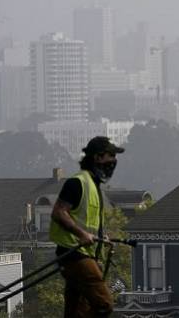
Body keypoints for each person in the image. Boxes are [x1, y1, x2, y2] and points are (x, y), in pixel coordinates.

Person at [50, 136, 125, 317]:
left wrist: (101, 237)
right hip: (75, 255)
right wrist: (81, 234)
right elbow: (59, 212)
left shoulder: (93, 185)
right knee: (104, 303)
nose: (114, 161)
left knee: (77, 311)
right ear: (98, 157)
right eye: (111, 156)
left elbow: (87, 221)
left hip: (84, 254)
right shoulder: (78, 183)